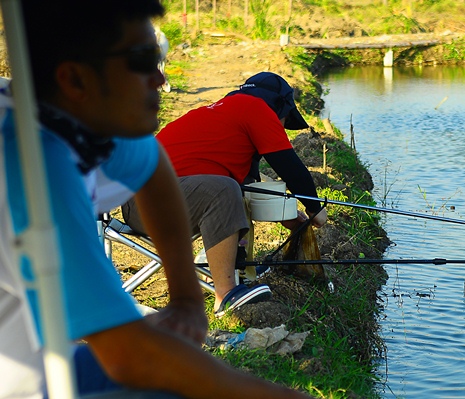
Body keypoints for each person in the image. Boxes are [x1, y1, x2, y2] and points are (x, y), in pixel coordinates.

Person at [0, 1, 313, 398]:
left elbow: (152, 166)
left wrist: (185, 297)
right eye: (143, 60)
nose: (160, 78)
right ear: (75, 79)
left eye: (158, 57)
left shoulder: (78, 118)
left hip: (41, 362)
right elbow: (127, 355)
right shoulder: (33, 173)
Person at [123, 72, 328, 318]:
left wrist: (290, 217)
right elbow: (291, 168)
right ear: (279, 107)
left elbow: (250, 191)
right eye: (286, 119)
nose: (282, 127)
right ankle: (226, 294)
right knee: (224, 189)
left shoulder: (222, 117)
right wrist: (315, 208)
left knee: (231, 190)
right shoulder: (256, 108)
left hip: (142, 204)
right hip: (151, 201)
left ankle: (234, 270)